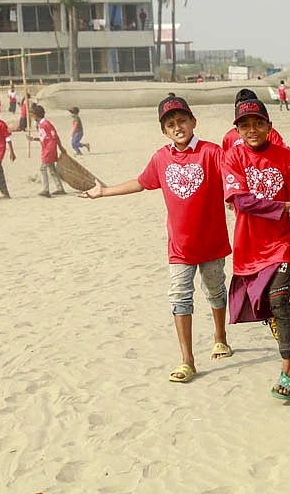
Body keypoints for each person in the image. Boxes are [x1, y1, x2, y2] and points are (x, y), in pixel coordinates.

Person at [78, 96, 233, 383]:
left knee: (215, 291)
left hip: (212, 243)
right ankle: (187, 360)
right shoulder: (161, 158)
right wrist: (105, 191)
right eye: (171, 124)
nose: (177, 128)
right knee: (179, 297)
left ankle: (220, 336)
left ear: (193, 122)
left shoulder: (212, 153)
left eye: (182, 121)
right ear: (164, 131)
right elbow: (141, 182)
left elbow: (233, 178)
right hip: (180, 247)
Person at [223, 98, 290, 400]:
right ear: (237, 130)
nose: (252, 129)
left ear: (269, 127)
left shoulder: (285, 156)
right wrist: (285, 207)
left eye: (258, 123)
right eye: (245, 125)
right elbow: (242, 201)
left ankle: (287, 368)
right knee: (265, 306)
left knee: (278, 297)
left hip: (283, 242)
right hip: (250, 245)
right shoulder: (232, 158)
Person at [26, 105, 67, 197]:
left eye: (33, 114)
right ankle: (60, 188)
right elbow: (44, 138)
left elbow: (54, 136)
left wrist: (60, 147)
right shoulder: (41, 125)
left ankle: (46, 189)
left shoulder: (46, 124)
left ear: (36, 115)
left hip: (49, 149)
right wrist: (33, 139)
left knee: (43, 168)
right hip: (46, 148)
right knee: (52, 169)